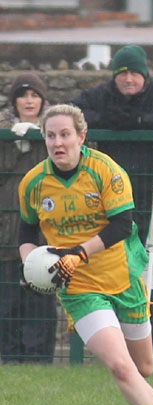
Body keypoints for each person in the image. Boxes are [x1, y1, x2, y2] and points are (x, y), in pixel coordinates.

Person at [18, 104, 153, 405]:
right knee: (120, 366)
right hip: (79, 289)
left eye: (65, 134)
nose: (58, 142)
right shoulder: (34, 183)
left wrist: (79, 252)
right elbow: (24, 234)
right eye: (51, 135)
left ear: (81, 137)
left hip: (123, 277)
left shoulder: (106, 170)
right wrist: (33, 265)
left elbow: (121, 225)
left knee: (143, 367)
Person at [71, 45, 153, 362]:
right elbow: (71, 112)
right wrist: (109, 121)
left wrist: (142, 120)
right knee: (114, 272)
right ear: (114, 76)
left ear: (145, 75)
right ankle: (118, 350)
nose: (129, 80)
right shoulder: (99, 96)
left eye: (134, 74)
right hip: (112, 204)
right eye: (123, 74)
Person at [0, 73, 57, 363]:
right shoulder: (3, 128)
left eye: (34, 95)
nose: (29, 101)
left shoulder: (55, 129)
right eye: (23, 96)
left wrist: (36, 137)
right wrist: (12, 140)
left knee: (41, 298)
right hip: (7, 229)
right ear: (15, 101)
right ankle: (8, 359)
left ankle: (39, 359)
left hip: (44, 229)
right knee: (7, 301)